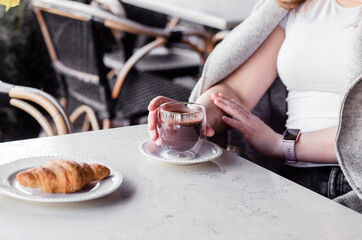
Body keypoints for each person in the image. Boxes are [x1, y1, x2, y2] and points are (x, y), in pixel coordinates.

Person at [147, 0, 361, 201]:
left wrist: (281, 144)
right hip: (293, 176)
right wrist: (192, 114)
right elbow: (235, 92)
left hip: (352, 183)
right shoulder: (298, 6)